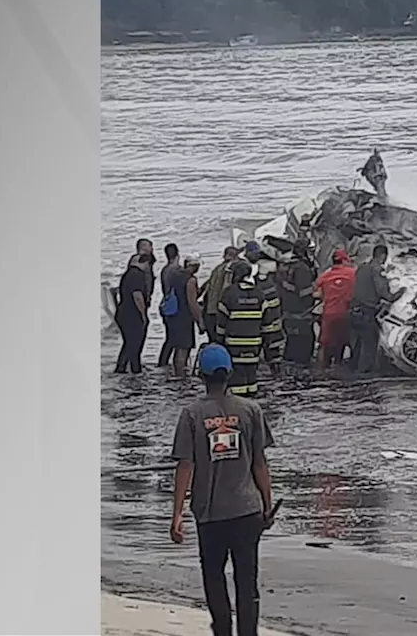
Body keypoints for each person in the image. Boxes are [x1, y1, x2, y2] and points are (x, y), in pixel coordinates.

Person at [170, 344, 276, 636]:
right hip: (247, 511)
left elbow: (186, 466)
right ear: (229, 374)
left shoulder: (191, 415)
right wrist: (267, 506)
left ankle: (222, 631)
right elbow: (260, 464)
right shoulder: (251, 410)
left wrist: (177, 514)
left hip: (211, 515)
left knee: (214, 578)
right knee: (247, 580)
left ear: (200, 375)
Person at [214, 261, 269, 398]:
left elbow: (221, 323)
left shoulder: (229, 294)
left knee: (236, 378)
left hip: (234, 344)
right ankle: (252, 405)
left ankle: (237, 408)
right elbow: (267, 323)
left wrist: (218, 342)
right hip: (254, 344)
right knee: (251, 376)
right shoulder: (259, 294)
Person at [349, 244, 403, 374]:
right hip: (366, 313)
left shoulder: (362, 268)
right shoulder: (377, 269)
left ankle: (352, 372)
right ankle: (363, 378)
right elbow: (382, 291)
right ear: (383, 256)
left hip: (354, 311)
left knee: (358, 345)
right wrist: (398, 294)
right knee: (369, 345)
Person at [159, 251, 204, 377]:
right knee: (183, 348)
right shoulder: (191, 280)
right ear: (195, 266)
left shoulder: (175, 276)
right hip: (183, 317)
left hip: (172, 315)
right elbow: (192, 302)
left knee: (176, 346)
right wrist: (200, 321)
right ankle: (180, 376)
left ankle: (175, 374)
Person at [313, 249, 357, 370]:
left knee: (325, 344)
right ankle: (339, 365)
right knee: (342, 342)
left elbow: (315, 292)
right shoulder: (353, 273)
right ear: (344, 261)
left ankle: (322, 369)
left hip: (329, 314)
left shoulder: (325, 276)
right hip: (346, 313)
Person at [113, 253, 155, 374]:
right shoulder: (138, 275)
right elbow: (137, 296)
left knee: (128, 344)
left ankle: (121, 369)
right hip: (132, 315)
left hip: (122, 313)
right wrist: (143, 315)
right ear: (146, 263)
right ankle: (135, 371)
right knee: (134, 345)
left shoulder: (128, 274)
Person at [278, 240, 317, 370]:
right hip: (301, 314)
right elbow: (305, 294)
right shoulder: (302, 269)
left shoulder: (289, 266)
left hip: (288, 313)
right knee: (305, 345)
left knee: (291, 344)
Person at [253, 258, 286, 376]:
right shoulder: (272, 283)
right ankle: (276, 373)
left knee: (255, 357)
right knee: (274, 356)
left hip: (264, 327)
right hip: (275, 327)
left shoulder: (257, 286)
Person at [199, 246, 241, 321]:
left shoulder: (217, 269)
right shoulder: (233, 268)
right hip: (222, 310)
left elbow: (207, 286)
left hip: (211, 309)